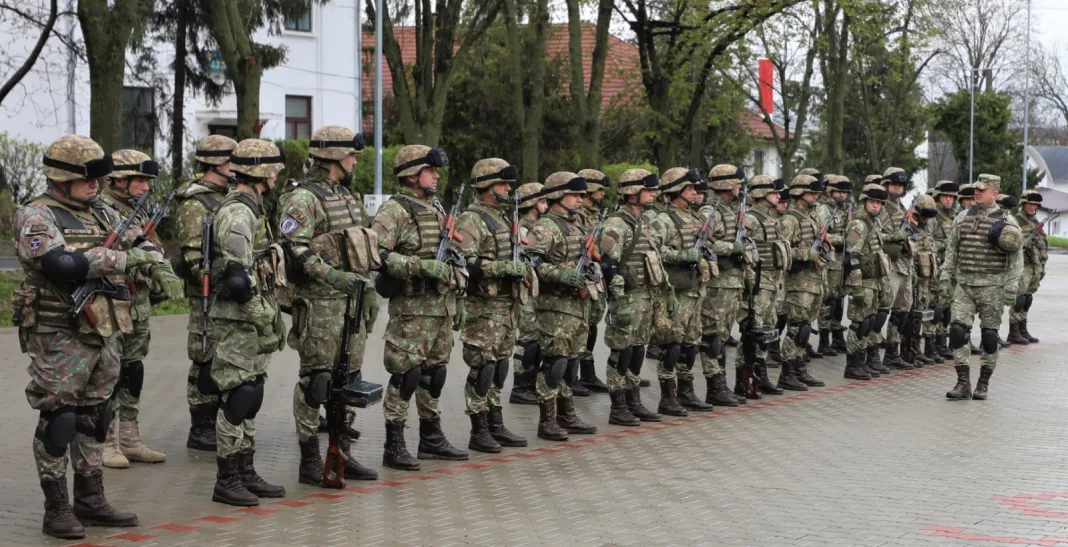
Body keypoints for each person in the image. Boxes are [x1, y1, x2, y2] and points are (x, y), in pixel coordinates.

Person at [14, 135, 178, 537]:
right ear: (62, 177)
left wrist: (155, 261)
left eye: (101, 179)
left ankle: (90, 499)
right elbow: (60, 262)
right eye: (89, 179)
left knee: (95, 416)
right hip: (59, 333)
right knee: (60, 417)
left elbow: (139, 238)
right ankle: (57, 508)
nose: (97, 185)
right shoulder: (38, 215)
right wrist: (122, 258)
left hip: (105, 329)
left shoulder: (101, 211)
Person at [274, 126, 379, 485]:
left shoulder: (348, 197)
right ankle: (309, 458)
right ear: (333, 157)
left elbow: (361, 248)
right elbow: (294, 250)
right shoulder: (303, 199)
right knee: (316, 382)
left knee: (348, 381)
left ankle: (342, 452)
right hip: (319, 305)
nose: (354, 161)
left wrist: (366, 290)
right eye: (350, 155)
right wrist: (335, 278)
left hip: (350, 307)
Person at [374, 145, 468, 470]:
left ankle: (431, 436)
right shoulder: (394, 211)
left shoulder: (437, 208)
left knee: (435, 374)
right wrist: (420, 266)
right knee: (407, 374)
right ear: (412, 175)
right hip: (411, 310)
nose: (436, 175)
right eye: (430, 170)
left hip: (441, 307)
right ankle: (394, 444)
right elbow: (377, 254)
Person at [205, 139, 288, 506]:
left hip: (249, 321)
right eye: (274, 172)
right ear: (262, 173)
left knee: (251, 394)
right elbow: (238, 279)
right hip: (237, 321)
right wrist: (264, 317)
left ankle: (246, 470)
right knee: (239, 397)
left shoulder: (253, 209)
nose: (277, 178)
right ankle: (227, 478)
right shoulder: (238, 213)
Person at [96, 150, 169, 468]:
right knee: (108, 373)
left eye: (147, 181)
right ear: (118, 180)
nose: (145, 187)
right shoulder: (101, 210)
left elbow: (151, 250)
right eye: (139, 180)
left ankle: (129, 435)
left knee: (133, 369)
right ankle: (105, 441)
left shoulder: (137, 212)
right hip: (111, 303)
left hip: (137, 303)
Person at [454, 158, 530, 452]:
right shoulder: (471, 219)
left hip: (506, 307)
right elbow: (466, 261)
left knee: (499, 368)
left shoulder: (504, 218)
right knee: (482, 369)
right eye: (502, 183)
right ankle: (478, 429)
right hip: (483, 308)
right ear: (486, 185)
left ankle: (495, 423)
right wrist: (502, 268)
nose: (508, 189)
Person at [174, 135, 238, 452]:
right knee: (205, 358)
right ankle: (201, 426)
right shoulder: (195, 204)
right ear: (216, 163)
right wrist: (218, 282)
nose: (236, 167)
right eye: (231, 161)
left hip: (231, 293)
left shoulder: (231, 198)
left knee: (227, 357)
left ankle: (221, 419)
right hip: (208, 294)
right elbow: (192, 256)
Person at [525, 172, 599, 439]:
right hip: (554, 306)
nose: (580, 200)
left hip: (577, 305)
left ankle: (567, 414)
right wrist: (563, 274)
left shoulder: (577, 225)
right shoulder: (545, 228)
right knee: (555, 363)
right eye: (574, 195)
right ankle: (547, 421)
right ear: (557, 195)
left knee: (570, 363)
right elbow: (530, 263)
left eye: (581, 195)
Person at [940, 174, 1023, 400]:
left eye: (982, 190)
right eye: (976, 189)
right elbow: (951, 252)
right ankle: (962, 382)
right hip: (965, 285)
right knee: (957, 331)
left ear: (994, 193)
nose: (976, 192)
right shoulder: (962, 218)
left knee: (989, 336)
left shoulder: (1007, 222)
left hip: (992, 287)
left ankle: (983, 383)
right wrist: (945, 278)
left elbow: (1017, 260)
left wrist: (1011, 287)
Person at [599, 169, 669, 423]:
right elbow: (607, 264)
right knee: (622, 351)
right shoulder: (616, 223)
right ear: (632, 193)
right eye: (648, 190)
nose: (653, 194)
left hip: (646, 295)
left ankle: (633, 400)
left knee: (638, 350)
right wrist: (618, 299)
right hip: (627, 297)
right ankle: (618, 407)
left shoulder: (644, 222)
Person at [648, 167, 712, 416]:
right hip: (675, 291)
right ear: (676, 191)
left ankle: (686, 392)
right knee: (672, 345)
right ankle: (668, 397)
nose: (695, 193)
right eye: (689, 189)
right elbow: (655, 252)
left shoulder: (694, 218)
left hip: (694, 289)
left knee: (690, 345)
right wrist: (681, 256)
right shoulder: (662, 220)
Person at [696, 164, 753, 408]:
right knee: (712, 337)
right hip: (717, 285)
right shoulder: (709, 212)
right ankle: (715, 386)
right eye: (737, 183)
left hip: (734, 284)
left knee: (722, 335)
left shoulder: (732, 210)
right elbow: (702, 244)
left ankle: (721, 383)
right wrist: (732, 248)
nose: (740, 187)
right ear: (726, 185)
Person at [734, 175, 789, 397]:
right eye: (774, 192)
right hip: (758, 283)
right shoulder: (752, 219)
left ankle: (761, 373)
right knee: (752, 332)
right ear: (760, 194)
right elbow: (742, 249)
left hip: (773, 283)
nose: (779, 196)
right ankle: (742, 378)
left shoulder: (772, 218)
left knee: (768, 331)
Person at [778, 175, 829, 390]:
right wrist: (807, 254)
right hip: (798, 282)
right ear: (798, 193)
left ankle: (799, 368)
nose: (815, 196)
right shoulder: (790, 219)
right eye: (811, 193)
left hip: (814, 281)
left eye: (816, 193)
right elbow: (782, 250)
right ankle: (787, 372)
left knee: (805, 329)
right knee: (795, 328)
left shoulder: (813, 217)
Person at [841, 183, 892, 380]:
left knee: (868, 322)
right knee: (858, 324)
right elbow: (851, 257)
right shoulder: (859, 224)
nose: (875, 206)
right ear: (864, 202)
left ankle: (861, 362)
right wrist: (856, 287)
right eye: (872, 202)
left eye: (879, 203)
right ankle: (852, 364)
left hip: (874, 281)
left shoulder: (874, 223)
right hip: (863, 282)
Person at [510, 182, 548, 405]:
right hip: (526, 291)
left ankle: (531, 383)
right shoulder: (523, 228)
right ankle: (521, 386)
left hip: (536, 289)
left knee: (536, 339)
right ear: (531, 204)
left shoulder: (538, 226)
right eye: (542, 201)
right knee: (528, 340)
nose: (546, 205)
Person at [575, 169, 612, 394]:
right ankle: (572, 376)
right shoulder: (577, 213)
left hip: (595, 276)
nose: (602, 194)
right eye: (599, 189)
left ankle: (588, 374)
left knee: (592, 324)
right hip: (583, 274)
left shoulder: (596, 213)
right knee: (581, 324)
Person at [878, 167, 915, 370]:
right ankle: (871, 354)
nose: (897, 188)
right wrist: (894, 238)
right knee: (882, 309)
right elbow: (875, 236)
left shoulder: (902, 207)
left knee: (902, 310)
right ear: (885, 185)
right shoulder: (880, 207)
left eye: (900, 185)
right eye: (893, 185)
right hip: (888, 265)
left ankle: (893, 351)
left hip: (904, 265)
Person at [902, 195, 940, 367]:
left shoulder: (927, 228)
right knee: (911, 316)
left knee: (923, 314)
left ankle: (918, 349)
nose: (925, 220)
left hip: (926, 280)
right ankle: (908, 350)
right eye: (922, 216)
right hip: (912, 279)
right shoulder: (907, 227)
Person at [816, 175, 853, 356]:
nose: (842, 195)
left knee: (840, 299)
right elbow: (822, 234)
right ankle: (824, 340)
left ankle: (837, 336)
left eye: (845, 192)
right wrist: (843, 240)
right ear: (830, 191)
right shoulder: (825, 209)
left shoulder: (844, 210)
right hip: (830, 260)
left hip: (843, 261)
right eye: (839, 192)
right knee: (828, 299)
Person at [1008, 189, 1047, 344]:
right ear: (1023, 204)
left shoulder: (1035, 221)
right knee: (1019, 299)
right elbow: (1016, 243)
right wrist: (1030, 236)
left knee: (1028, 298)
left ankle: (1023, 329)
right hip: (1022, 265)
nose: (1033, 208)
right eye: (1030, 204)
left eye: (1035, 205)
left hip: (1035, 265)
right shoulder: (1016, 220)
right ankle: (1013, 331)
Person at [929, 181, 959, 360]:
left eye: (951, 197)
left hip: (952, 268)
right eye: (945, 196)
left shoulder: (956, 216)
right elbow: (927, 242)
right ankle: (931, 344)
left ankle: (942, 341)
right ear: (938, 197)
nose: (948, 200)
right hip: (937, 267)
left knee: (947, 308)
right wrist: (945, 245)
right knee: (936, 307)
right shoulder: (933, 218)